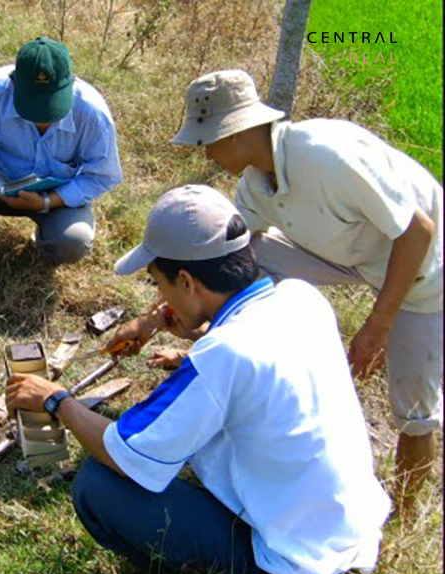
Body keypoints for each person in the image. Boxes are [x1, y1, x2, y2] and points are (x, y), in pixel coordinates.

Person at [5, 186, 390, 574]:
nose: (159, 297)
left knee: (99, 485)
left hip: (290, 573)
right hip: (350, 536)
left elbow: (125, 453)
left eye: (159, 284)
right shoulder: (301, 297)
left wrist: (56, 399)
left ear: (186, 281)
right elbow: (255, 357)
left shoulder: (224, 355)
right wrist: (199, 328)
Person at [171, 69, 442, 516]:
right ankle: (243, 359)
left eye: (207, 140)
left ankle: (405, 520)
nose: (206, 152)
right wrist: (178, 313)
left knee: (414, 411)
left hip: (423, 269)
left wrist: (377, 326)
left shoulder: (326, 157)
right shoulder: (256, 182)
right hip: (349, 252)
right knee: (249, 258)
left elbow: (418, 231)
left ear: (234, 132)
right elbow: (226, 255)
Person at [0, 36, 122, 301]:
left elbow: (102, 176)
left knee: (74, 241)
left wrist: (47, 201)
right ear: (14, 84)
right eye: (32, 106)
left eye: (51, 107)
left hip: (55, 199)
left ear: (71, 83)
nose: (41, 118)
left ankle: (45, 242)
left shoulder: (92, 112)